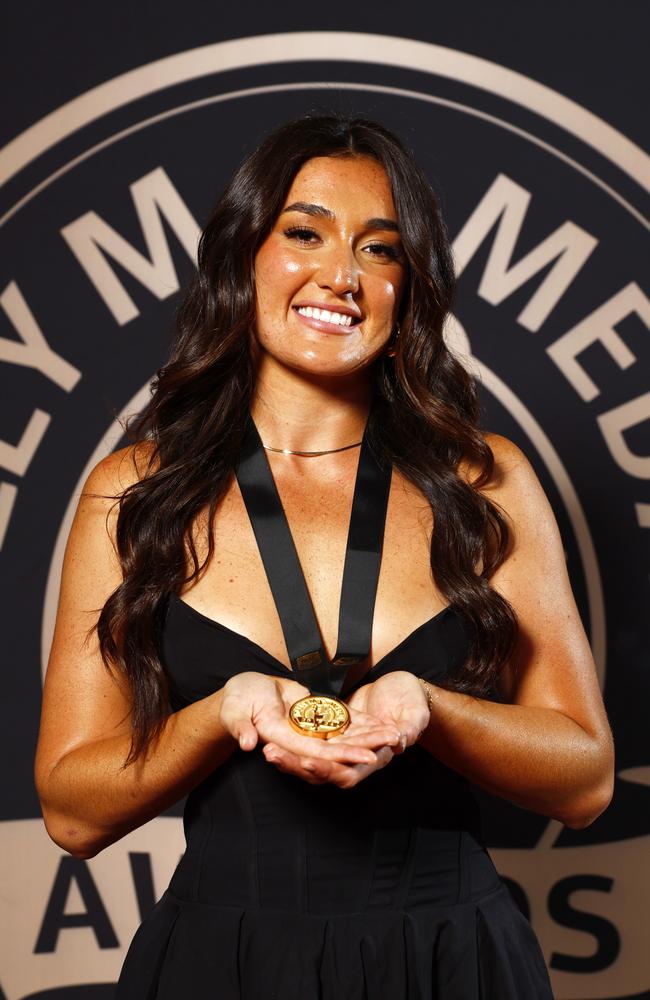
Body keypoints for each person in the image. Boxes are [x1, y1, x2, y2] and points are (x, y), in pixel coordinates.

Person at [35, 113, 614, 999]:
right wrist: (227, 712)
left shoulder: (486, 480)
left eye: (380, 251)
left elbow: (586, 781)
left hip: (452, 961)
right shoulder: (133, 489)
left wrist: (434, 709)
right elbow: (71, 812)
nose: (340, 275)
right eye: (304, 233)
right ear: (243, 255)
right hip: (220, 966)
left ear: (408, 287)